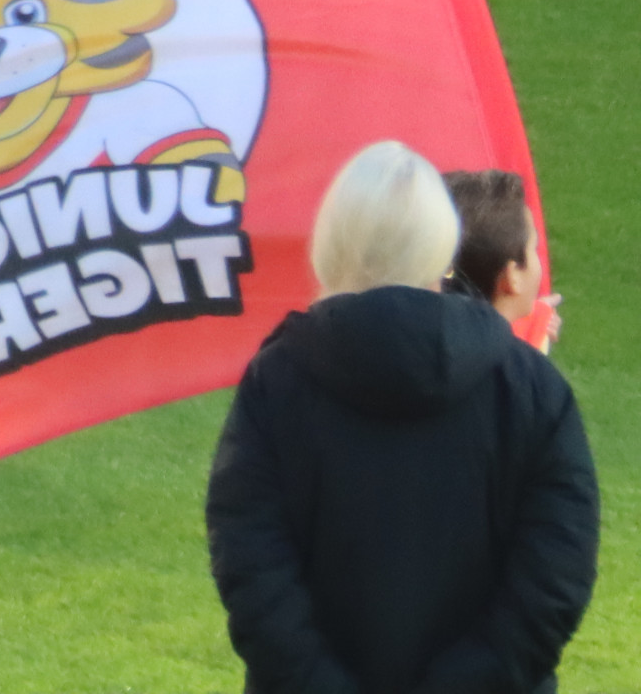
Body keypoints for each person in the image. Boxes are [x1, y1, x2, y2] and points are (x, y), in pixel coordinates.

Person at [206, 142, 598, 694]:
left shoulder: (279, 382)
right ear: (441, 246)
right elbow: (556, 574)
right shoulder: (531, 388)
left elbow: (252, 567)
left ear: (331, 239)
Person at [445, 167, 563, 353]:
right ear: (512, 276)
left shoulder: (421, 337)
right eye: (533, 249)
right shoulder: (513, 368)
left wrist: (533, 321)